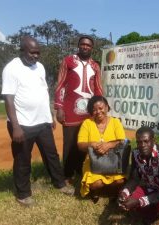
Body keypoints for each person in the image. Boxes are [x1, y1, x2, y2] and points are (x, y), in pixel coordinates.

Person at [1, 36, 74, 206]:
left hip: (42, 122)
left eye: (38, 53)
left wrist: (49, 116)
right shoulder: (11, 69)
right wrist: (16, 127)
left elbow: (43, 93)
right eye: (32, 53)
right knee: (22, 159)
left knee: (52, 155)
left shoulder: (39, 67)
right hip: (23, 124)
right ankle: (23, 194)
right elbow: (9, 100)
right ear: (22, 50)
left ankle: (60, 184)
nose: (35, 56)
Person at [54, 35, 103, 184]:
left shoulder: (95, 66)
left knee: (84, 143)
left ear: (92, 48)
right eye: (82, 44)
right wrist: (59, 107)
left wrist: (100, 108)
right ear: (78, 45)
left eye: (88, 45)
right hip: (70, 111)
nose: (85, 47)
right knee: (69, 144)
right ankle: (67, 174)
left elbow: (98, 89)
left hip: (88, 113)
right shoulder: (68, 61)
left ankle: (81, 170)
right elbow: (60, 84)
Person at [118, 126, 159, 225]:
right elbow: (134, 179)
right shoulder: (136, 153)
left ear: (153, 141)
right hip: (152, 188)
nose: (142, 145)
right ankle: (152, 214)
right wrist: (124, 193)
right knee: (128, 195)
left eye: (146, 141)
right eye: (139, 142)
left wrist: (139, 201)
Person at [77, 96, 126, 203]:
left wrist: (108, 145)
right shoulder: (87, 123)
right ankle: (95, 192)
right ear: (91, 111)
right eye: (94, 110)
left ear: (107, 107)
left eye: (101, 108)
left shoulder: (115, 122)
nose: (98, 112)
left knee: (119, 181)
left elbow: (122, 141)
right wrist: (92, 144)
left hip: (113, 162)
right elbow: (80, 145)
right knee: (97, 183)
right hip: (93, 163)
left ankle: (113, 193)